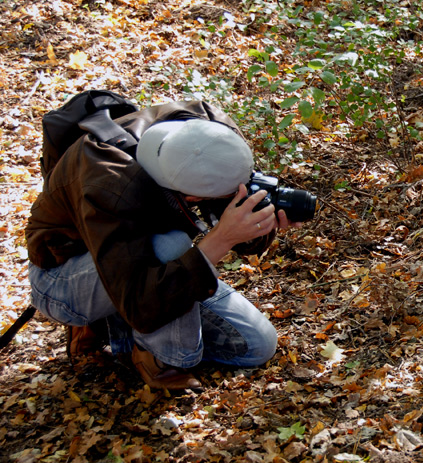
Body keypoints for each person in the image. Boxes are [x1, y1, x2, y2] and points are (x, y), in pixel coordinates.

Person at [25, 100, 298, 390]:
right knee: (172, 243)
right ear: (193, 198)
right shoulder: (110, 184)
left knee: (256, 345)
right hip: (66, 276)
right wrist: (221, 239)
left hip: (138, 261)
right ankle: (160, 359)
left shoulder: (212, 134)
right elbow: (138, 302)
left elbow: (240, 230)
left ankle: (117, 327)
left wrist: (260, 223)